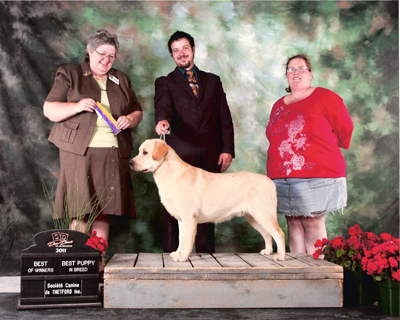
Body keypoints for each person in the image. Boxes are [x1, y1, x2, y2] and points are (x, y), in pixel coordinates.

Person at [43, 29, 143, 248]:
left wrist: (130, 119)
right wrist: (77, 106)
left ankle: (98, 261)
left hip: (114, 152)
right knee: (80, 211)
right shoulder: (70, 73)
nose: (106, 59)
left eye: (111, 56)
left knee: (103, 210)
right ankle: (78, 261)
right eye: (102, 53)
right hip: (79, 152)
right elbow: (49, 109)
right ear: (89, 51)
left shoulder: (121, 79)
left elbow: (137, 110)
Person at [154, 31, 235, 254]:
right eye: (176, 50)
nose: (181, 53)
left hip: (211, 155)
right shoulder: (165, 82)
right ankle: (173, 256)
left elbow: (224, 117)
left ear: (194, 50)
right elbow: (163, 108)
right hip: (179, 158)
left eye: (185, 48)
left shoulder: (213, 81)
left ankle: (206, 258)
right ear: (172, 55)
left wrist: (227, 149)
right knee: (176, 211)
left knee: (208, 210)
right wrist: (162, 121)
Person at [266, 54, 353, 255]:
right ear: (286, 76)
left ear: (310, 73)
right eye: (291, 69)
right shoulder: (278, 104)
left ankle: (319, 275)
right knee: (293, 223)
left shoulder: (325, 97)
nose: (296, 73)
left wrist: (322, 151)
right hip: (282, 177)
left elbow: (345, 128)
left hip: (317, 175)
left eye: (301, 68)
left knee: (313, 222)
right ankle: (301, 275)